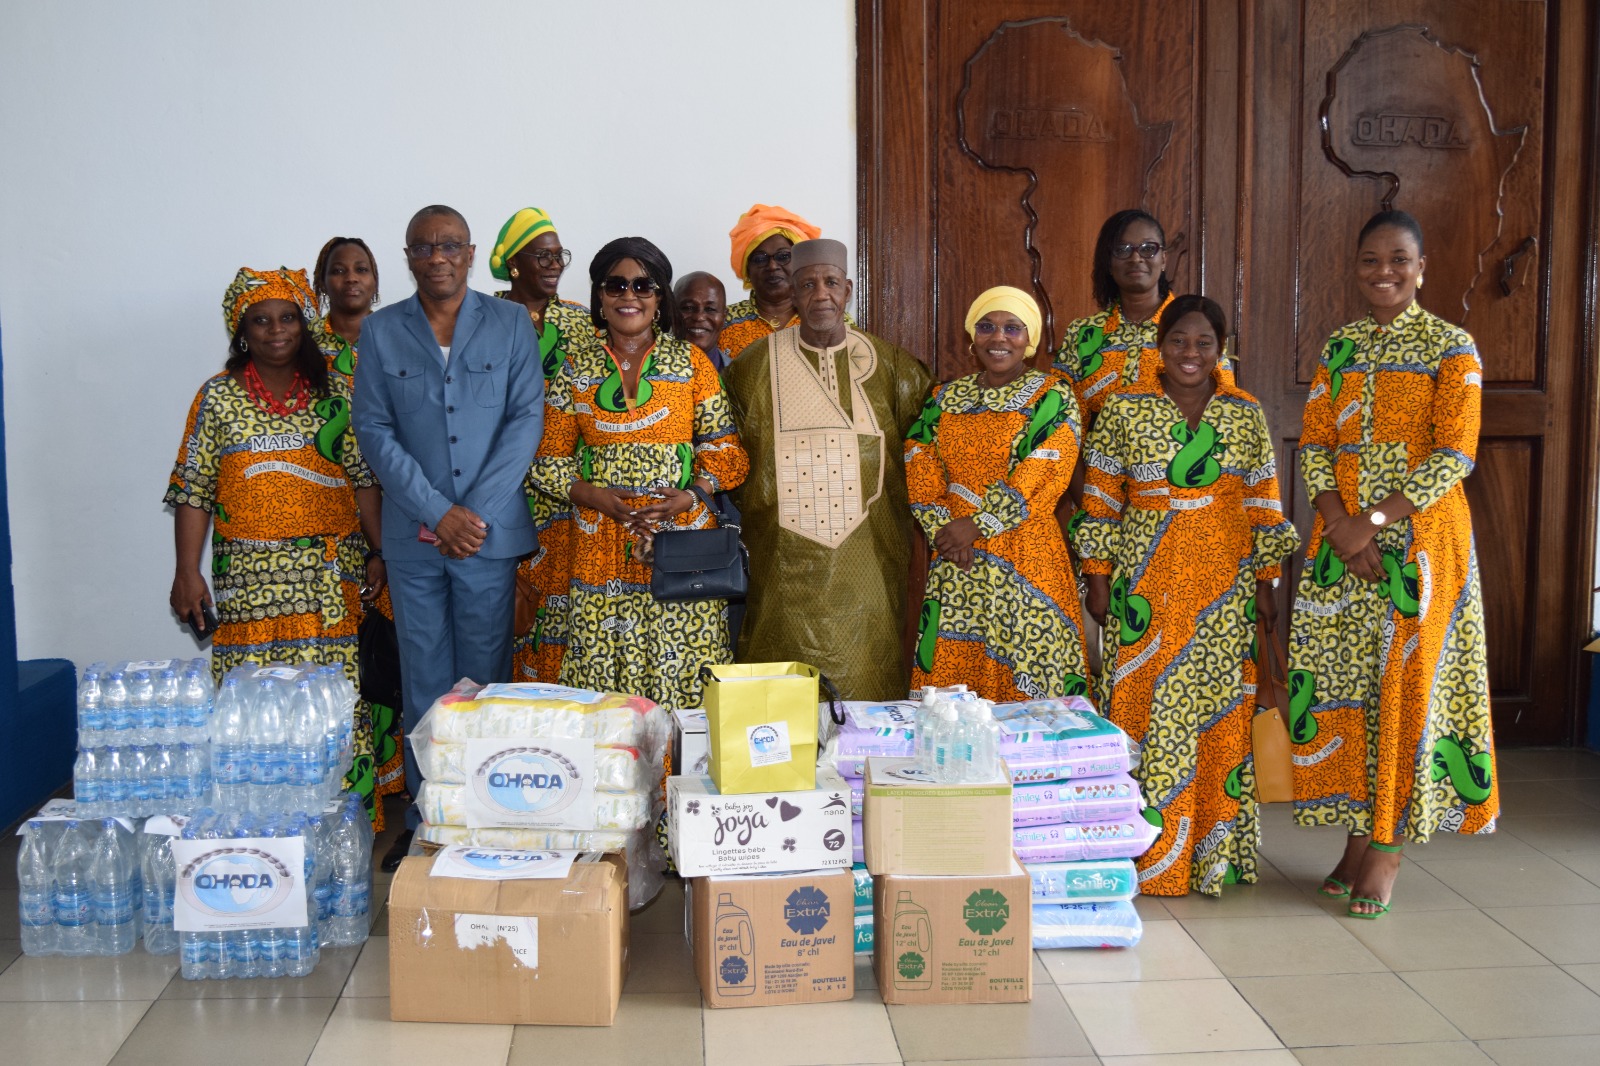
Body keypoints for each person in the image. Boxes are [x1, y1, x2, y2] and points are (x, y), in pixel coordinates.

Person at [1290, 210, 1497, 918]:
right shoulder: (1340, 345)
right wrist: (1337, 525)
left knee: (1406, 690)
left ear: (1422, 266)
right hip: (1340, 546)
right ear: (1355, 268)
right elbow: (1314, 442)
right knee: (1345, 690)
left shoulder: (1452, 347)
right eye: (1371, 260)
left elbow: (1455, 453)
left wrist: (1371, 522)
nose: (1384, 272)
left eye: (1399, 260)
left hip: (1420, 544)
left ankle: (1388, 847)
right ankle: (1356, 833)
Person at [1075, 295, 1299, 897]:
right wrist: (1097, 579)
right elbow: (1099, 500)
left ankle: (1210, 859)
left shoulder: (1245, 414)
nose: (1190, 353)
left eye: (1203, 342)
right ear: (1159, 346)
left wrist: (1266, 585)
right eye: (1178, 341)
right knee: (1143, 714)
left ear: (1221, 350)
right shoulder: (1122, 411)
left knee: (1217, 719)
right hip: (1144, 582)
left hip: (1224, 588)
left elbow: (1263, 503)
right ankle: (1145, 860)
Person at [352, 204, 544, 866]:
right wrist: (438, 512)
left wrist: (471, 515)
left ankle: (485, 814)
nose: (437, 256)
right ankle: (430, 815)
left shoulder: (511, 322)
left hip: (486, 535)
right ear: (408, 257)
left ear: (469, 254)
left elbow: (526, 420)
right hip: (415, 535)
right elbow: (373, 431)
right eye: (423, 247)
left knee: (483, 677)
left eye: (450, 245)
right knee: (425, 677)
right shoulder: (380, 333)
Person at [166, 267, 382, 811]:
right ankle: (253, 816)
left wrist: (381, 554)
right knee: (253, 703)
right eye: (260, 321)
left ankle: (340, 817)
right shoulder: (215, 398)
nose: (275, 330)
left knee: (330, 701)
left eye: (287, 318)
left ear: (305, 324)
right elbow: (193, 489)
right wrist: (186, 571)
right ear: (241, 331)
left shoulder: (338, 393)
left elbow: (364, 480)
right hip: (248, 586)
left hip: (328, 584)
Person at [528, 237, 749, 708]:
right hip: (599, 540)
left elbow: (728, 450)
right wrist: (595, 497)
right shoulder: (573, 368)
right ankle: (613, 775)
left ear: (659, 298)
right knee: (603, 676)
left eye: (643, 285)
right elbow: (546, 461)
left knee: (681, 662)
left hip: (680, 541)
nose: (630, 295)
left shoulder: (690, 364)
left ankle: (678, 778)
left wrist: (693, 495)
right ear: (600, 298)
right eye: (617, 285)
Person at [724, 238, 934, 700]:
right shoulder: (751, 367)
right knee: (778, 701)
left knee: (868, 696)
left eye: (831, 283)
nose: (821, 294)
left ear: (848, 290)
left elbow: (926, 456)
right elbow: (732, 458)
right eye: (808, 285)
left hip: (871, 563)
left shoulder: (894, 366)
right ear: (793, 296)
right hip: (781, 562)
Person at [906, 286, 1089, 701]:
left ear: (1030, 341)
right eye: (986, 326)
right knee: (952, 691)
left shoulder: (1053, 394)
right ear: (972, 337)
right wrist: (943, 529)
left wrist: (979, 523)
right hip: (958, 559)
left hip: (1026, 554)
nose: (999, 337)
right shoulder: (944, 397)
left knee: (1030, 688)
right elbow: (918, 456)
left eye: (1012, 328)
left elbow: (1046, 464)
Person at [311, 236, 401, 831]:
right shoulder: (302, 344)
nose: (350, 279)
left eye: (362, 269)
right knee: (344, 659)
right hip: (324, 518)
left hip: (395, 512)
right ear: (322, 282)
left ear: (376, 279)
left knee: (386, 652)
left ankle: (392, 786)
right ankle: (341, 794)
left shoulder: (397, 337)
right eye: (338, 271)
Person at [487, 207, 593, 684]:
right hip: (501, 486)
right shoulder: (482, 318)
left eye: (559, 256)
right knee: (506, 610)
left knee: (558, 611)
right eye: (542, 256)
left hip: (565, 488)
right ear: (514, 263)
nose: (554, 265)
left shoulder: (583, 322)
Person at [718, 203, 822, 359]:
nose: (772, 266)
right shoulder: (723, 322)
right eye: (760, 259)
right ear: (747, 269)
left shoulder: (826, 316)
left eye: (783, 256)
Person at [675, 271, 731, 372]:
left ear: (724, 316)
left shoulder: (739, 376)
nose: (699, 317)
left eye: (710, 309)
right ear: (672, 312)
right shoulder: (648, 370)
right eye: (688, 307)